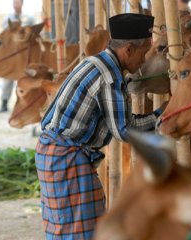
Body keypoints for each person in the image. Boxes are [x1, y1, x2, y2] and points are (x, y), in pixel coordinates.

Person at [36, 13, 166, 239]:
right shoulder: (109, 77)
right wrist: (163, 115)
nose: (145, 60)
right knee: (81, 233)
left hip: (52, 153)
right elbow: (123, 130)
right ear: (128, 50)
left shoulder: (93, 62)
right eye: (145, 52)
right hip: (67, 158)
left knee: (65, 229)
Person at [0, 0, 34, 113]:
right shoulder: (7, 19)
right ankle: (4, 103)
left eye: (17, 2)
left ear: (22, 3)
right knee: (8, 78)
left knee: (25, 78)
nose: (15, 5)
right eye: (14, 2)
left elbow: (33, 33)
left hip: (24, 54)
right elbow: (5, 34)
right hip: (11, 54)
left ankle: (26, 104)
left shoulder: (29, 18)